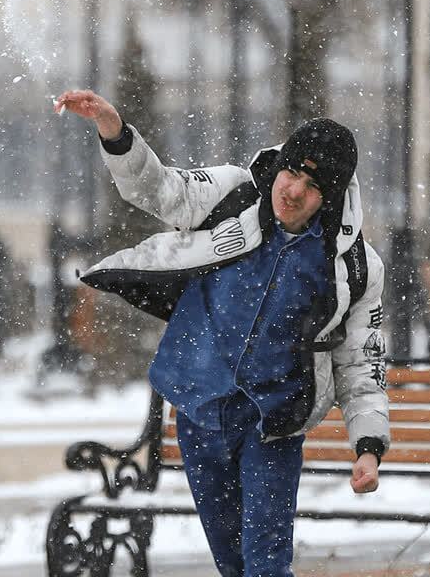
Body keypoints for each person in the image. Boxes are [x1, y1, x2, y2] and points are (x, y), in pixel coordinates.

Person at [53, 89, 389, 577]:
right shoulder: (235, 194)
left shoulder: (352, 267)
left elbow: (363, 363)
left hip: (272, 423)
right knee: (233, 565)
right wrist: (115, 132)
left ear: (329, 198)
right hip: (200, 409)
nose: (292, 190)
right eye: (291, 171)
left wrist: (368, 446)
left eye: (311, 186)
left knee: (265, 566)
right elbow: (162, 189)